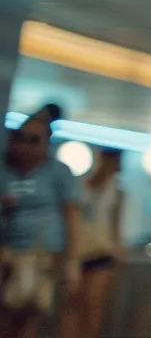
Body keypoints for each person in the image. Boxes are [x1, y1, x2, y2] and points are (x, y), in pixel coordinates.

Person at [0, 105, 83, 338]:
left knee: (28, 312)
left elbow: (72, 216)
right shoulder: (4, 170)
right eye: (19, 138)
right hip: (7, 252)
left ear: (46, 144)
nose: (24, 145)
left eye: (33, 140)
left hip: (42, 254)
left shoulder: (57, 172)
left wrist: (72, 262)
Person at [62, 147, 125, 338]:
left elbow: (115, 223)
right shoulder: (79, 184)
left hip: (102, 249)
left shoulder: (117, 190)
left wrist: (118, 247)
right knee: (73, 300)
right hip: (77, 248)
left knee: (92, 300)